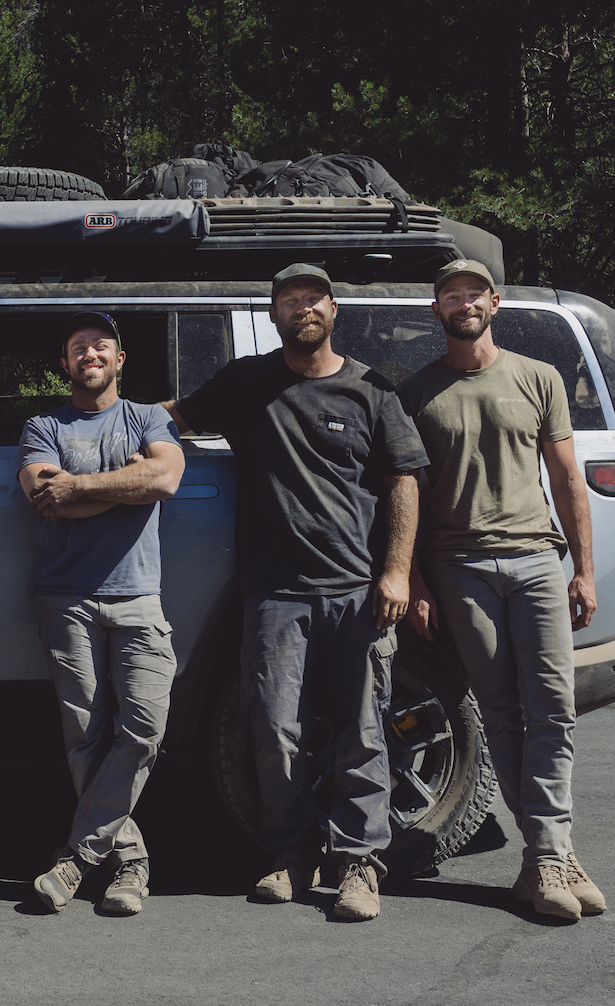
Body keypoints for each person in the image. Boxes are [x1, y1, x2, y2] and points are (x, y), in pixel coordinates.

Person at [165, 263, 426, 921]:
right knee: (274, 730)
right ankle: (290, 854)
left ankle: (359, 865)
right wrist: (96, 422)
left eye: (313, 298)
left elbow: (403, 481)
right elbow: (178, 417)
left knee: (363, 730)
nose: (302, 308)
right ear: (275, 313)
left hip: (356, 590)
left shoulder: (370, 389)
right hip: (275, 592)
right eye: (290, 300)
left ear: (334, 310)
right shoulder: (247, 382)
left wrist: (395, 571)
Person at [400, 258, 607, 922]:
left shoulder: (537, 377)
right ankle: (551, 856)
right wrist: (420, 581)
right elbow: (409, 500)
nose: (463, 303)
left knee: (553, 709)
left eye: (473, 293)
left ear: (495, 302)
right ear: (438, 311)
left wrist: (584, 568)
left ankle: (547, 853)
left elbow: (568, 480)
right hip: (461, 569)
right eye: (450, 295)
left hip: (538, 561)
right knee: (501, 714)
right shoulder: (418, 393)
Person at [17, 312, 185, 915]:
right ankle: (131, 862)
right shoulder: (42, 424)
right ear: (64, 364)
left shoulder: (148, 417)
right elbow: (44, 495)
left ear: (120, 359)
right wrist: (125, 486)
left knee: (146, 728)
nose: (90, 353)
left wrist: (81, 488)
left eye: (101, 345)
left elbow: (164, 478)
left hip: (138, 596)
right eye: (77, 347)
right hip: (65, 597)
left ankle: (78, 857)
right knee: (84, 737)